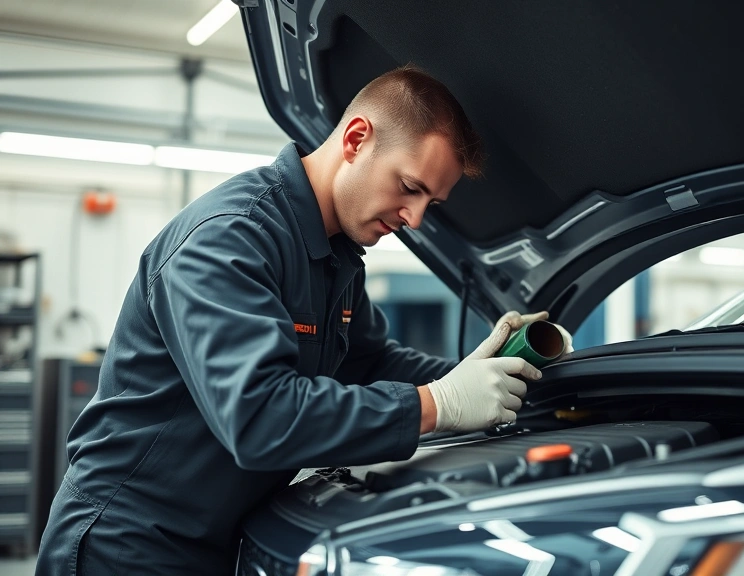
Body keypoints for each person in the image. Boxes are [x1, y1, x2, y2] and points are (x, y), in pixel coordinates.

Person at [35, 65, 572, 576]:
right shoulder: (230, 239)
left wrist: (483, 374)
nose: (415, 219)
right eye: (410, 187)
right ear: (357, 139)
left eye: (432, 202)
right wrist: (441, 404)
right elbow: (260, 417)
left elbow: (371, 362)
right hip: (127, 544)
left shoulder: (335, 257)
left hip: (217, 537)